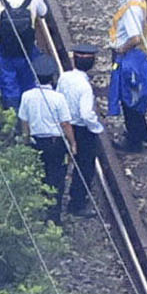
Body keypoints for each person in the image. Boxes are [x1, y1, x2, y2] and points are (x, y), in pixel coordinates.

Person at [17, 54, 75, 225]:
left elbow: (24, 123)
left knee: (39, 178)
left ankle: (39, 215)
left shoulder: (27, 96)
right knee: (56, 179)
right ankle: (54, 218)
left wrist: (26, 141)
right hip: (56, 143)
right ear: (53, 77)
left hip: (37, 143)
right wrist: (72, 143)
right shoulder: (58, 98)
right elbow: (65, 124)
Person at [106, 0, 147, 151]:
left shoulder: (131, 9)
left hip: (129, 57)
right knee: (133, 95)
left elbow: (135, 37)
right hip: (133, 56)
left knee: (130, 96)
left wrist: (121, 49)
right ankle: (141, 132)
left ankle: (134, 141)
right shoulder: (137, 1)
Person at [57, 44, 104, 217]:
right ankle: (77, 203)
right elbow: (86, 114)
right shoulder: (85, 87)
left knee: (62, 163)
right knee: (84, 166)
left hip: (64, 124)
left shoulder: (65, 77)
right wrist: (96, 126)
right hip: (81, 129)